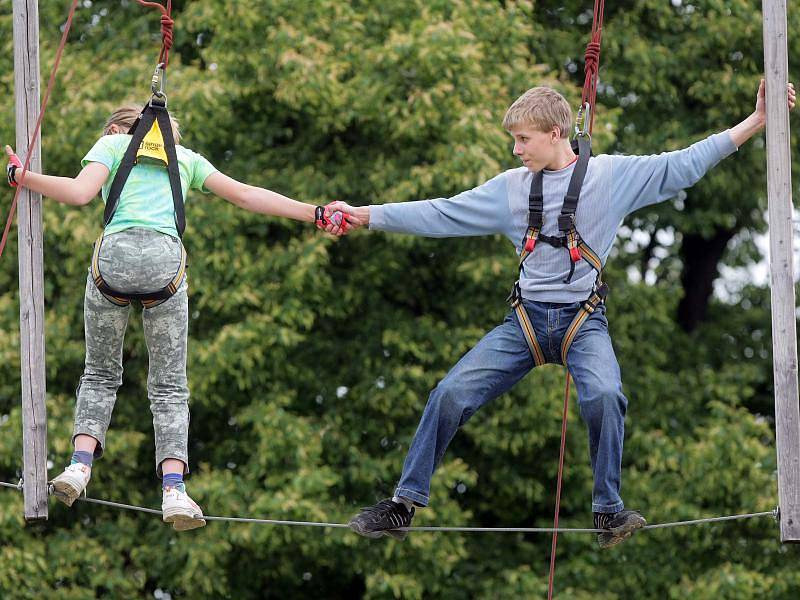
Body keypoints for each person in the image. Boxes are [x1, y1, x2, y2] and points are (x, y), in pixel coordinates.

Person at [334, 79, 795, 547]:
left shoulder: (612, 178)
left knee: (605, 396)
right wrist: (366, 215)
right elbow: (441, 213)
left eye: (523, 139)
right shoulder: (509, 190)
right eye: (513, 139)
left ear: (556, 133)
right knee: (450, 393)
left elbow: (683, 165)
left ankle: (608, 512)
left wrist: (756, 122)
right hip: (526, 324)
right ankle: (402, 505)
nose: (515, 150)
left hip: (582, 321)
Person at [5, 103, 356, 531]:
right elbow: (247, 194)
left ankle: (79, 465)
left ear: (117, 128)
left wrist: (21, 177)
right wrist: (314, 212)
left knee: (99, 372)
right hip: (164, 268)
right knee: (170, 385)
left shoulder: (113, 144)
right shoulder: (184, 158)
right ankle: (174, 489)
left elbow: (78, 193)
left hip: (112, 264)